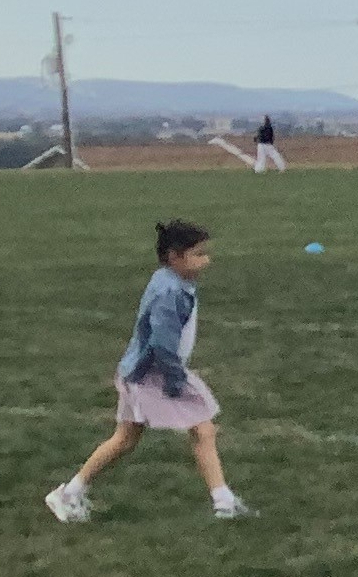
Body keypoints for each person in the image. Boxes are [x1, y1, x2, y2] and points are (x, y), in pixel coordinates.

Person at [45, 220, 255, 522]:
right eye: (198, 254)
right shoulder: (170, 292)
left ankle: (69, 494)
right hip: (153, 375)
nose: (206, 260)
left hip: (140, 372)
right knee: (202, 429)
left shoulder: (169, 280)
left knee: (125, 439)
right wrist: (175, 381)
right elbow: (162, 343)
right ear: (174, 257)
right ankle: (224, 503)